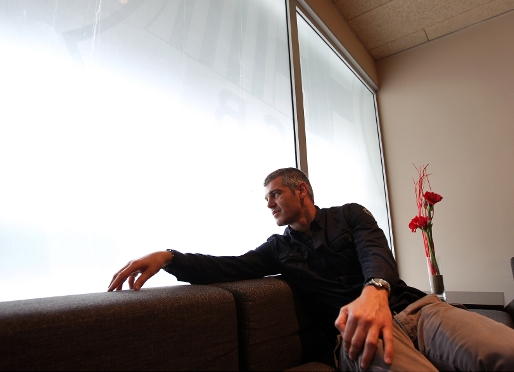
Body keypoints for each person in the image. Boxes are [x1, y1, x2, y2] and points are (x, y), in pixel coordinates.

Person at [108, 167, 514, 371]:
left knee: (503, 351)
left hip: (416, 310)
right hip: (353, 335)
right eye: (266, 199)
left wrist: (374, 290)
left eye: (274, 194)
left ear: (300, 189)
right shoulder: (276, 249)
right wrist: (169, 257)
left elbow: (377, 255)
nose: (269, 204)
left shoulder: (351, 214)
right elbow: (225, 267)